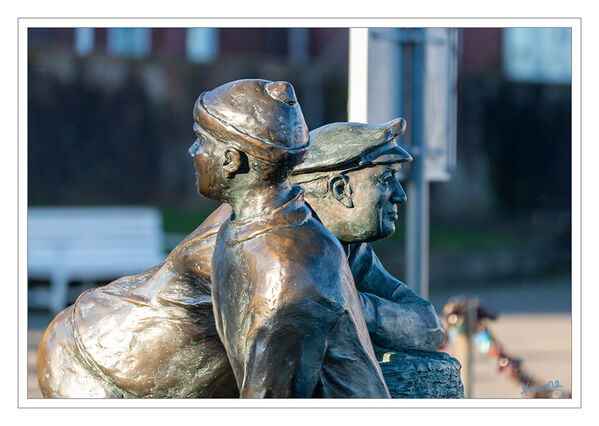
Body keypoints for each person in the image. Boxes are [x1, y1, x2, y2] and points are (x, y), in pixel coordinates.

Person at [37, 82, 441, 399]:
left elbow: (427, 323)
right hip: (99, 371)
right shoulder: (275, 250)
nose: (400, 196)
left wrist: (350, 303)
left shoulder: (323, 246)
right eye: (386, 181)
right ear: (339, 189)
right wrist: (345, 301)